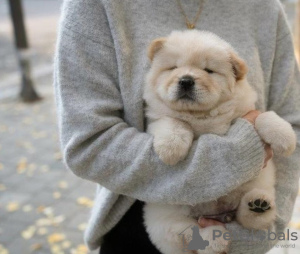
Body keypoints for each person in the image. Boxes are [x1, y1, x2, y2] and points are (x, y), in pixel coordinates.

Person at [54, 0, 300, 253]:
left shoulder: (265, 8)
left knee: (254, 208)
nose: (187, 78)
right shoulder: (96, 6)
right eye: (173, 68)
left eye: (208, 70)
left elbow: (294, 125)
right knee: (172, 229)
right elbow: (88, 144)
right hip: (140, 226)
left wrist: (256, 235)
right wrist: (230, 158)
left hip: (247, 228)